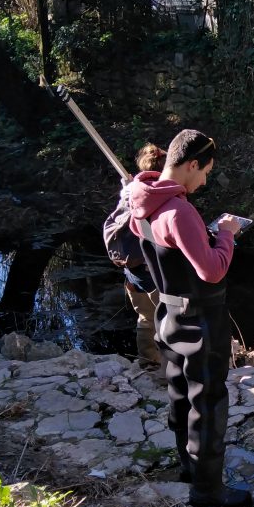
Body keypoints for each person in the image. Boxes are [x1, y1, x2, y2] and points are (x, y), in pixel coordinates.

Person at [128, 129, 250, 507]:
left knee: (181, 394)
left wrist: (205, 236)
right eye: (206, 172)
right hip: (201, 320)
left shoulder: (142, 200)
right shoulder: (179, 210)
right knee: (209, 401)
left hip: (168, 313)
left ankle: (188, 468)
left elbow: (171, 251)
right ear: (192, 164)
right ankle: (208, 489)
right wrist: (227, 235)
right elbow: (211, 270)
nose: (204, 180)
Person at [108, 143, 166, 367]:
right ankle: (169, 369)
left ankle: (147, 362)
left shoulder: (129, 193)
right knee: (167, 319)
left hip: (132, 272)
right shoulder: (158, 195)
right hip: (151, 270)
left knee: (145, 317)